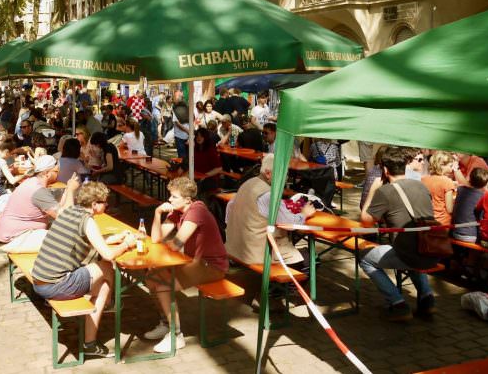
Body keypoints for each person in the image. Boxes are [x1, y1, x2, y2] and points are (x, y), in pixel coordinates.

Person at [32, 181, 136, 359]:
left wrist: (115, 237)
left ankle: (90, 343)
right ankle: (111, 303)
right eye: (104, 202)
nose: (107, 205)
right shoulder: (87, 221)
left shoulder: (70, 212)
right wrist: (126, 244)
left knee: (103, 286)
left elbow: (91, 240)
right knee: (106, 266)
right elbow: (108, 254)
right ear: (94, 204)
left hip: (40, 281)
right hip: (56, 284)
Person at [144, 177, 229, 353]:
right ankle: (166, 324)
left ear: (187, 200)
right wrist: (157, 214)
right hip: (195, 263)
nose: (169, 200)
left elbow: (176, 244)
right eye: (170, 196)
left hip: (212, 266)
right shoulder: (178, 211)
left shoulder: (196, 211)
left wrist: (164, 247)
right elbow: (155, 239)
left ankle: (176, 335)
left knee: (162, 283)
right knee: (151, 277)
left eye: (174, 197)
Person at [360, 146, 437, 321]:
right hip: (431, 250)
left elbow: (365, 221)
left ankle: (398, 303)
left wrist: (373, 189)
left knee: (364, 258)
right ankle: (427, 299)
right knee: (412, 251)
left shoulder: (385, 191)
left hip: (408, 253)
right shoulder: (421, 186)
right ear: (405, 166)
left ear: (385, 170)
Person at [225, 153, 312, 267]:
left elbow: (228, 212)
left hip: (234, 249)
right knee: (311, 259)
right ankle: (283, 284)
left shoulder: (247, 183)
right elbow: (290, 224)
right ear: (268, 173)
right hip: (257, 256)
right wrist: (304, 214)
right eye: (283, 175)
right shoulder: (267, 194)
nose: (285, 179)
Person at [0, 155, 79, 252]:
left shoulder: (31, 182)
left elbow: (59, 210)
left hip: (11, 234)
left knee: (61, 229)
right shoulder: (38, 191)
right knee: (69, 239)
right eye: (56, 171)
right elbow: (64, 216)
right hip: (15, 239)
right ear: (47, 173)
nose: (58, 174)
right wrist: (71, 190)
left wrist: (68, 190)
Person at [452, 167, 488, 243]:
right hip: (471, 235)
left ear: (470, 178)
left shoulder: (460, 189)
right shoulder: (483, 197)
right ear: (485, 183)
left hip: (455, 231)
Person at [421, 151, 457, 226]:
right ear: (442, 165)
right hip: (442, 222)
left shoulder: (423, 180)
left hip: (426, 220)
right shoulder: (447, 182)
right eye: (450, 166)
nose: (452, 169)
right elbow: (450, 209)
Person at [193, 128, 222, 194]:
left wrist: (204, 176)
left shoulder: (211, 150)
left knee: (193, 189)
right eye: (197, 136)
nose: (199, 138)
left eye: (201, 136)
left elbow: (219, 168)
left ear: (205, 137)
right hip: (198, 177)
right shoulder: (195, 149)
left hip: (210, 179)